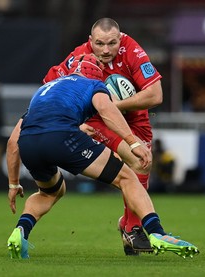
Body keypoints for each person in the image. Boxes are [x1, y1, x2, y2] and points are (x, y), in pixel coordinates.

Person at [6, 54, 199, 260]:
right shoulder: (93, 84)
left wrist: (13, 183)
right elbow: (105, 109)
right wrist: (132, 141)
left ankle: (21, 231)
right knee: (127, 178)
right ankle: (156, 232)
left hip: (29, 142)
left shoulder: (45, 89)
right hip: (62, 137)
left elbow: (12, 142)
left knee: (50, 192)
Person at [43, 17, 163, 255]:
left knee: (143, 164)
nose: (106, 50)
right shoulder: (79, 56)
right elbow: (49, 86)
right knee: (137, 160)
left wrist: (115, 105)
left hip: (133, 115)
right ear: (90, 41)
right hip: (100, 117)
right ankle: (133, 228)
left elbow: (155, 95)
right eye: (100, 44)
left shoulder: (132, 50)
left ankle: (128, 226)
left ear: (121, 39)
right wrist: (77, 121)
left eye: (112, 43)